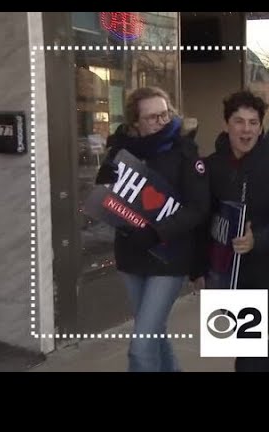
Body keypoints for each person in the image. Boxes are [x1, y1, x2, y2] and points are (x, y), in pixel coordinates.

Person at [95, 86, 209, 372]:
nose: (162, 121)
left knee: (140, 349)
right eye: (153, 117)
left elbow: (197, 208)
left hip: (169, 258)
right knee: (154, 335)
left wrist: (158, 231)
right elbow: (105, 192)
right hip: (131, 256)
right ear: (136, 124)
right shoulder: (122, 149)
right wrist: (108, 170)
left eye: (165, 114)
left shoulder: (185, 151)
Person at [192, 90, 269, 372]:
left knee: (250, 342)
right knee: (244, 343)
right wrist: (198, 271)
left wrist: (257, 240)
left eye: (253, 122)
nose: (246, 129)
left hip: (264, 271)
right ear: (227, 124)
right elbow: (201, 222)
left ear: (261, 127)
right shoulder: (210, 166)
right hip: (222, 271)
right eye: (239, 121)